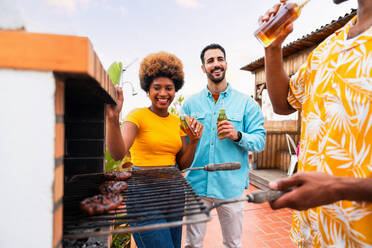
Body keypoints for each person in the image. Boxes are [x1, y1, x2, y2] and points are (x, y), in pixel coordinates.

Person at [260, 0, 372, 246]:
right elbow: (283, 102)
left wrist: (340, 187)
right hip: (314, 235)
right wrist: (273, 47)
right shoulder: (328, 47)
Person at [106, 51, 204, 248]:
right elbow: (118, 152)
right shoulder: (137, 116)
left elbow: (183, 164)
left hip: (174, 192)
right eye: (156, 88)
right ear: (147, 90)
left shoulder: (178, 122)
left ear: (175, 90)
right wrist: (113, 119)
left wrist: (194, 141)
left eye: (169, 88)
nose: (163, 93)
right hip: (144, 194)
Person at [182, 43, 266, 248]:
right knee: (192, 243)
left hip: (230, 187)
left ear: (226, 63)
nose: (216, 64)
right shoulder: (190, 104)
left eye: (220, 59)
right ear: (203, 68)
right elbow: (182, 146)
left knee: (232, 243)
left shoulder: (246, 103)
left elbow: (260, 142)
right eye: (210, 61)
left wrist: (238, 135)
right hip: (197, 185)